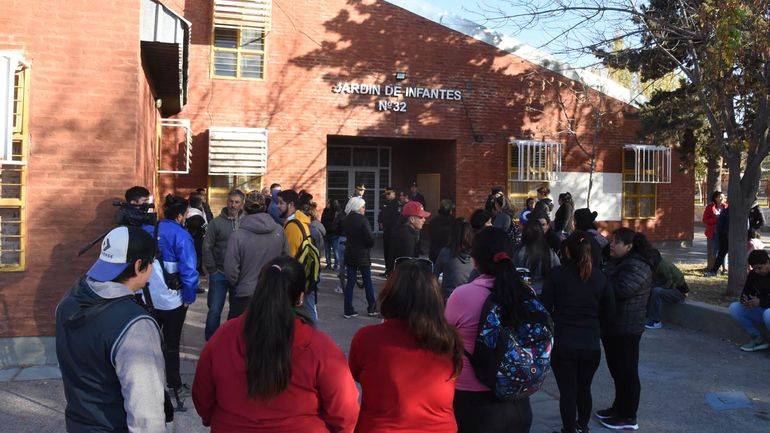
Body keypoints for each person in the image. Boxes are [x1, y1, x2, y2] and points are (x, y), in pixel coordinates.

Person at [192, 256, 360, 432]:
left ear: (259, 290)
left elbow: (203, 400)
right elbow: (346, 415)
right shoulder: (320, 348)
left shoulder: (223, 337)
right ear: (300, 298)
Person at [56, 226, 166, 432]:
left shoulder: (67, 303)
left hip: (78, 424)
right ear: (139, 265)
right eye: (152, 263)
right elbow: (145, 410)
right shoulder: (135, 324)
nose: (152, 270)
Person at [349, 258, 463, 433]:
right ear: (435, 299)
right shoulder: (448, 340)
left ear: (390, 295)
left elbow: (356, 374)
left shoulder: (367, 338)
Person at [445, 227, 538, 433]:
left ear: (475, 260)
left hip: (473, 401)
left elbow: (445, 339)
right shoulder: (526, 293)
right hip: (517, 398)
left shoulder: (463, 295)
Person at [541, 231, 616, 433]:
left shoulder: (557, 275)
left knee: (568, 391)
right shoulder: (601, 278)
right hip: (590, 343)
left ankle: (568, 429)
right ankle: (583, 426)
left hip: (564, 342)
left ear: (566, 250)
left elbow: (544, 308)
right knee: (584, 389)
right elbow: (610, 314)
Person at [142, 195, 199, 409]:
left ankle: (150, 384)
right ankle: (173, 383)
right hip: (173, 300)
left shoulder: (148, 230)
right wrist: (189, 297)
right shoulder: (181, 235)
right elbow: (189, 270)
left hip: (147, 298)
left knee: (148, 342)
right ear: (180, 215)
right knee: (171, 344)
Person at [597, 227, 653, 431]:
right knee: (617, 371)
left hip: (627, 328)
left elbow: (620, 291)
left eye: (616, 242)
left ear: (629, 246)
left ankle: (629, 416)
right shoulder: (619, 262)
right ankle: (618, 408)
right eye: (611, 241)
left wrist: (601, 281)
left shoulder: (637, 266)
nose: (611, 245)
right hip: (614, 326)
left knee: (627, 372)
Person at [224, 191, 289, 319]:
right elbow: (286, 261)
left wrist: (239, 283)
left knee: (241, 335)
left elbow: (230, 269)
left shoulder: (237, 235)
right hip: (273, 293)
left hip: (245, 295)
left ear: (245, 208)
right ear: (265, 207)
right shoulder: (279, 231)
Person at [202, 189, 244, 340]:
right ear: (227, 202)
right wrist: (211, 270)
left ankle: (230, 342)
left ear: (242, 204)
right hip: (219, 273)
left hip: (238, 274)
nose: (233, 205)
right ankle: (211, 342)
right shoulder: (216, 223)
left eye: (237, 202)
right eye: (231, 201)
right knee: (214, 310)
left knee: (236, 312)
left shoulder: (246, 222)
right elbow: (207, 246)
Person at [341, 196, 378, 318]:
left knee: (350, 282)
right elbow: (370, 238)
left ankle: (348, 309)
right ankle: (372, 307)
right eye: (362, 206)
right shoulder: (363, 220)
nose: (364, 209)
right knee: (367, 281)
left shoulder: (346, 220)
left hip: (350, 253)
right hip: (362, 254)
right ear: (357, 207)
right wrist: (368, 244)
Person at [728, 249, 770, 352]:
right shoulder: (753, 274)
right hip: (761, 309)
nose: (757, 271)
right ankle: (758, 338)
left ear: (768, 262)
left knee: (768, 314)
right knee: (734, 308)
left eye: (760, 268)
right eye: (754, 268)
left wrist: (761, 302)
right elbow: (745, 292)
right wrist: (746, 300)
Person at [513, 219, 561, 294]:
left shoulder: (520, 252)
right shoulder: (549, 252)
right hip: (546, 293)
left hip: (528, 293)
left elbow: (521, 280)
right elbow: (558, 271)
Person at [644, 249, 687, 330]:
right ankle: (647, 314)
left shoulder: (663, 265)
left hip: (679, 292)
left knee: (656, 291)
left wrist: (654, 287)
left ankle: (656, 321)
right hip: (671, 290)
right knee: (650, 288)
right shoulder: (656, 266)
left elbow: (669, 283)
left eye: (649, 259)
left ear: (654, 258)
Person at [433, 218, 475, 300]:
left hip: (449, 298)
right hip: (470, 298)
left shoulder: (445, 252)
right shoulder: (475, 254)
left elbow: (435, 275)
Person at [186, 192, 208, 292]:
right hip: (197, 243)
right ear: (200, 204)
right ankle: (194, 285)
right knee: (195, 264)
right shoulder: (198, 217)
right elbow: (205, 229)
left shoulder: (187, 213)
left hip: (188, 242)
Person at [702, 191, 726, 271]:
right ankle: (715, 268)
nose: (722, 198)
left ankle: (724, 268)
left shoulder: (726, 207)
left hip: (724, 233)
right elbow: (705, 220)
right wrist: (715, 219)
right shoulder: (710, 207)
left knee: (723, 250)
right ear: (715, 198)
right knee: (714, 251)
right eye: (720, 197)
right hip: (714, 233)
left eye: (723, 196)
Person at [379, 187, 400, 276]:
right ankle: (387, 270)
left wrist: (385, 224)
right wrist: (379, 222)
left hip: (393, 231)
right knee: (386, 252)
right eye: (386, 194)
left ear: (394, 194)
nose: (387, 196)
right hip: (386, 231)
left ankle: (392, 271)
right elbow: (381, 214)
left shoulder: (397, 204)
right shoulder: (385, 203)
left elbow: (395, 219)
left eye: (388, 194)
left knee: (392, 253)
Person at [706, 205, 730, 276]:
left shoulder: (725, 211)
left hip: (725, 235)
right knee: (721, 254)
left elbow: (719, 225)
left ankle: (715, 270)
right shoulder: (726, 211)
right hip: (726, 236)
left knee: (721, 254)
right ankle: (715, 270)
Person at [321, 199, 340, 269]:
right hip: (328, 233)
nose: (327, 204)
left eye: (328, 203)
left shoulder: (335, 212)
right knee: (329, 249)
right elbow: (322, 220)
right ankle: (330, 264)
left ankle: (335, 264)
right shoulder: (326, 210)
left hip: (333, 233)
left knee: (335, 250)